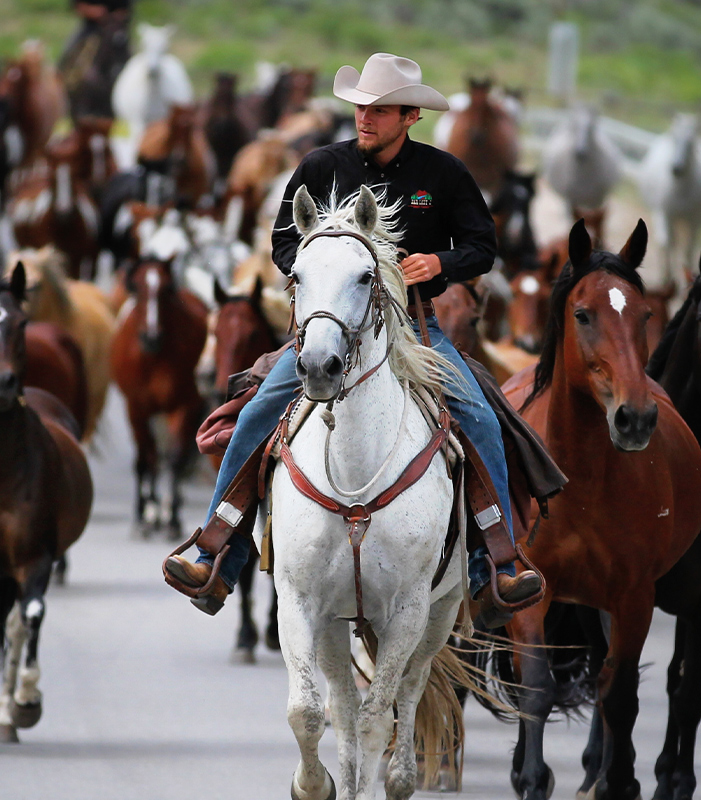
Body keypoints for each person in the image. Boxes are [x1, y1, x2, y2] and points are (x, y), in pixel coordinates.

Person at [164, 53, 542, 623]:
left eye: (381, 109)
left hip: (414, 328)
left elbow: (482, 247)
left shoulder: (443, 175)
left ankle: (497, 567)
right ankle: (217, 554)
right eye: (362, 106)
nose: (366, 117)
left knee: (482, 419)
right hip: (328, 327)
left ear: (410, 115)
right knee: (256, 414)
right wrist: (317, 265)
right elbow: (282, 241)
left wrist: (437, 263)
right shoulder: (321, 166)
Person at [58, 0, 131, 120]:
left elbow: (126, 8)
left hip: (116, 28)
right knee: (68, 56)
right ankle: (64, 92)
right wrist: (94, 11)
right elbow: (78, 5)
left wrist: (115, 16)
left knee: (128, 58)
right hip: (91, 28)